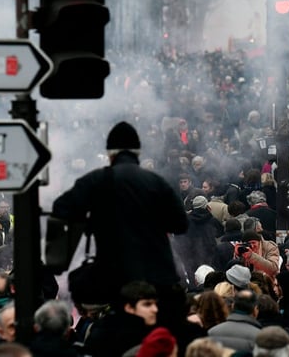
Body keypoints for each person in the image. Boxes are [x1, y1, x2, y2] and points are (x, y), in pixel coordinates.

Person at [51, 122, 189, 321]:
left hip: (116, 278)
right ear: (137, 152)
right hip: (159, 277)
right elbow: (180, 224)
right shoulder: (156, 182)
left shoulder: (96, 181)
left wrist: (57, 261)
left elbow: (61, 209)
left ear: (110, 154)